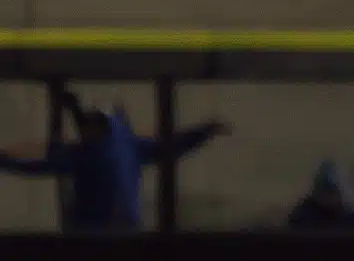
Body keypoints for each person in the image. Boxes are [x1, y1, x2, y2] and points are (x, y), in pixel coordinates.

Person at [0, 94, 226, 230]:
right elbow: (176, 144)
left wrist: (204, 132)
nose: (87, 128)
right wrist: (205, 132)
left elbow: (36, 166)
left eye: (94, 123)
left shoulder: (94, 152)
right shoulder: (124, 147)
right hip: (108, 234)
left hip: (107, 235)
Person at [287, 160, 354, 230]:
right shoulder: (302, 218)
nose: (330, 197)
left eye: (333, 192)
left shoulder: (352, 218)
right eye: (327, 192)